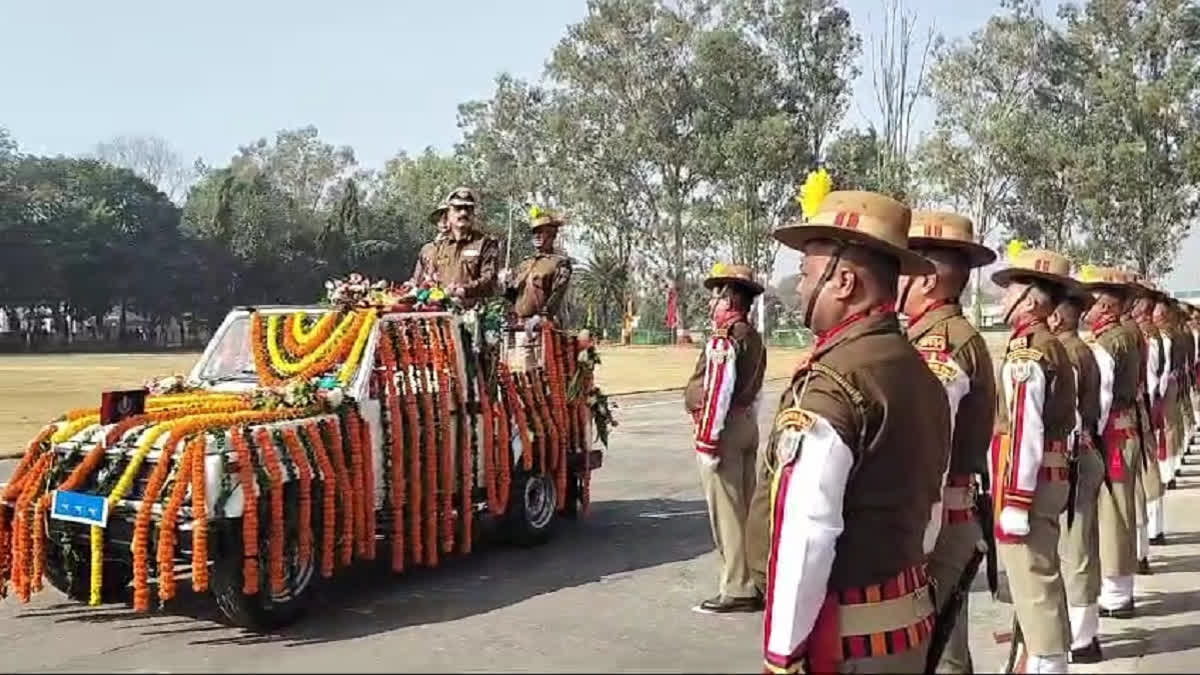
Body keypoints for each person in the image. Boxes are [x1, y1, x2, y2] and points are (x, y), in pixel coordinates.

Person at [762, 190, 950, 673]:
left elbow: (807, 533)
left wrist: (781, 656)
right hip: (908, 624)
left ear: (844, 282)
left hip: (848, 642)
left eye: (807, 274)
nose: (799, 288)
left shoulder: (834, 381)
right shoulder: (919, 370)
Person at [897, 210, 997, 674]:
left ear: (927, 280)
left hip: (940, 517)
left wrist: (915, 532)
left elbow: (928, 446)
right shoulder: (938, 336)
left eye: (905, 270)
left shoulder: (942, 344)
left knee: (940, 654)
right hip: (947, 512)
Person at [989, 244, 1078, 674]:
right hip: (1049, 473)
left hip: (1030, 478)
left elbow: (1025, 428)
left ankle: (1046, 663)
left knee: (1033, 581)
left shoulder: (1028, 350)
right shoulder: (1050, 344)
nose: (1003, 297)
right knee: (1042, 573)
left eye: (1011, 290)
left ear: (1030, 300)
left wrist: (1015, 501)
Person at [683, 262, 767, 614]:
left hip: (725, 429)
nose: (710, 304)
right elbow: (756, 389)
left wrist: (707, 442)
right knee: (745, 509)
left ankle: (737, 587)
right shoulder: (752, 336)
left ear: (730, 299)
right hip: (745, 423)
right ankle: (753, 578)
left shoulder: (724, 338)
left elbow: (717, 392)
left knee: (728, 513)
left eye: (716, 298)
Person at [1076, 267, 1139, 631]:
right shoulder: (1126, 335)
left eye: (1093, 302)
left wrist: (1092, 436)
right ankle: (1120, 589)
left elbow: (1100, 401)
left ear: (1106, 307)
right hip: (1125, 426)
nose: (1087, 309)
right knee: (1121, 509)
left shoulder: (1108, 343)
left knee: (1113, 513)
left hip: (1111, 433)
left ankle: (1116, 594)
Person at [1050, 272, 1106, 663]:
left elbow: (1069, 417)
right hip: (1086, 451)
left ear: (1057, 316)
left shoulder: (1067, 354)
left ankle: (1081, 638)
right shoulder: (1081, 349)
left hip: (1073, 457)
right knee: (1081, 544)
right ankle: (1085, 632)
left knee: (1074, 549)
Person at [1130, 278, 1165, 576]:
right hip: (1137, 413)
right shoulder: (1138, 335)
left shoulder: (1138, 337)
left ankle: (1139, 551)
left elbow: (1152, 382)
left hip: (1131, 416)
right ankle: (1141, 549)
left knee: (1133, 488)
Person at [501, 206, 574, 327]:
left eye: (541, 232)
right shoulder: (525, 264)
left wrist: (541, 317)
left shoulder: (559, 263)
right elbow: (516, 298)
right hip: (519, 325)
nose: (536, 236)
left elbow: (556, 295)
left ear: (552, 235)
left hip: (542, 326)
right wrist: (505, 285)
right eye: (534, 232)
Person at [430, 187, 500, 307]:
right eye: (458, 208)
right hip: (442, 310)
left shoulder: (485, 243)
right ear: (448, 213)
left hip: (473, 311)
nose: (463, 213)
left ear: (473, 213)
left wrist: (465, 290)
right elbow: (431, 277)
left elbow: (489, 278)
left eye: (468, 209)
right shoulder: (440, 245)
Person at [409, 201, 450, 285]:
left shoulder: (464, 247)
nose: (443, 222)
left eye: (447, 218)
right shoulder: (427, 249)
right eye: (439, 219)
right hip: (429, 291)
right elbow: (417, 278)